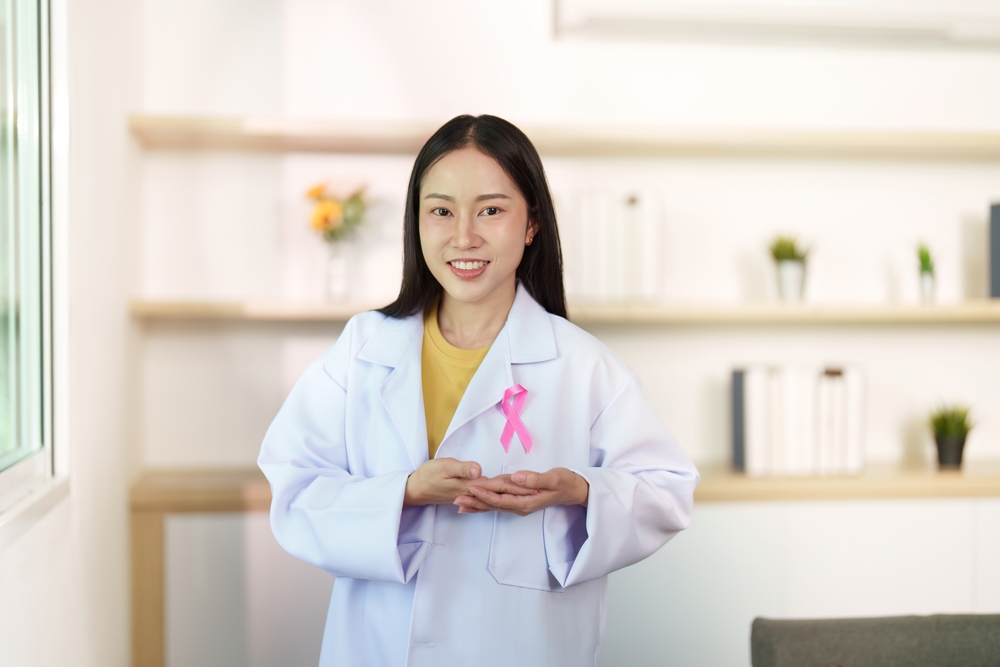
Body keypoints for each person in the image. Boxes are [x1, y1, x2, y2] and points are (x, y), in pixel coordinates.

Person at [258, 114, 699, 667]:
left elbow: (667, 491)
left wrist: (580, 490)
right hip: (378, 647)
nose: (464, 236)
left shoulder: (583, 364)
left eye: (491, 210)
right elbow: (295, 488)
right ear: (416, 223)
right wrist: (407, 491)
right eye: (441, 210)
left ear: (532, 223)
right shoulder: (363, 349)